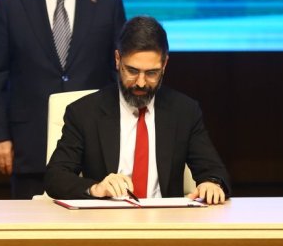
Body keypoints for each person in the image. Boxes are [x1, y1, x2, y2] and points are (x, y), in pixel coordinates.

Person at [0, 0, 126, 199]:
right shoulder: (10, 2)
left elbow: (118, 71)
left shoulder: (107, 0)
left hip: (95, 141)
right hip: (31, 143)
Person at [44, 16, 230, 204]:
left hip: (167, 222)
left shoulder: (184, 111)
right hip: (105, 221)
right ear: (118, 60)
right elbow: (55, 177)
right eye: (132, 71)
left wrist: (211, 183)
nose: (141, 83)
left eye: (151, 73)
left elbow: (214, 171)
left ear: (164, 65)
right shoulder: (84, 112)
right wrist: (96, 188)